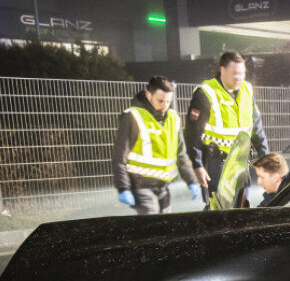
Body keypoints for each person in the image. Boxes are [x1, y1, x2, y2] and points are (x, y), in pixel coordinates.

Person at [112, 75, 200, 215]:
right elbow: (119, 157)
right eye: (160, 101)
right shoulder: (133, 117)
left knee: (165, 229)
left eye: (168, 101)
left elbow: (181, 154)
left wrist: (192, 181)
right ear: (148, 95)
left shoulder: (173, 118)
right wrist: (123, 188)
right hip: (141, 187)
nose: (164, 106)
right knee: (152, 228)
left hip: (163, 187)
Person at [185, 51, 270, 194]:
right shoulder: (206, 93)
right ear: (222, 70)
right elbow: (192, 133)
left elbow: (256, 127)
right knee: (219, 211)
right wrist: (197, 165)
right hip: (216, 163)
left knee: (242, 208)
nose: (239, 78)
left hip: (241, 162)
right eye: (235, 73)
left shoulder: (247, 90)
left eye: (242, 73)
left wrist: (265, 158)